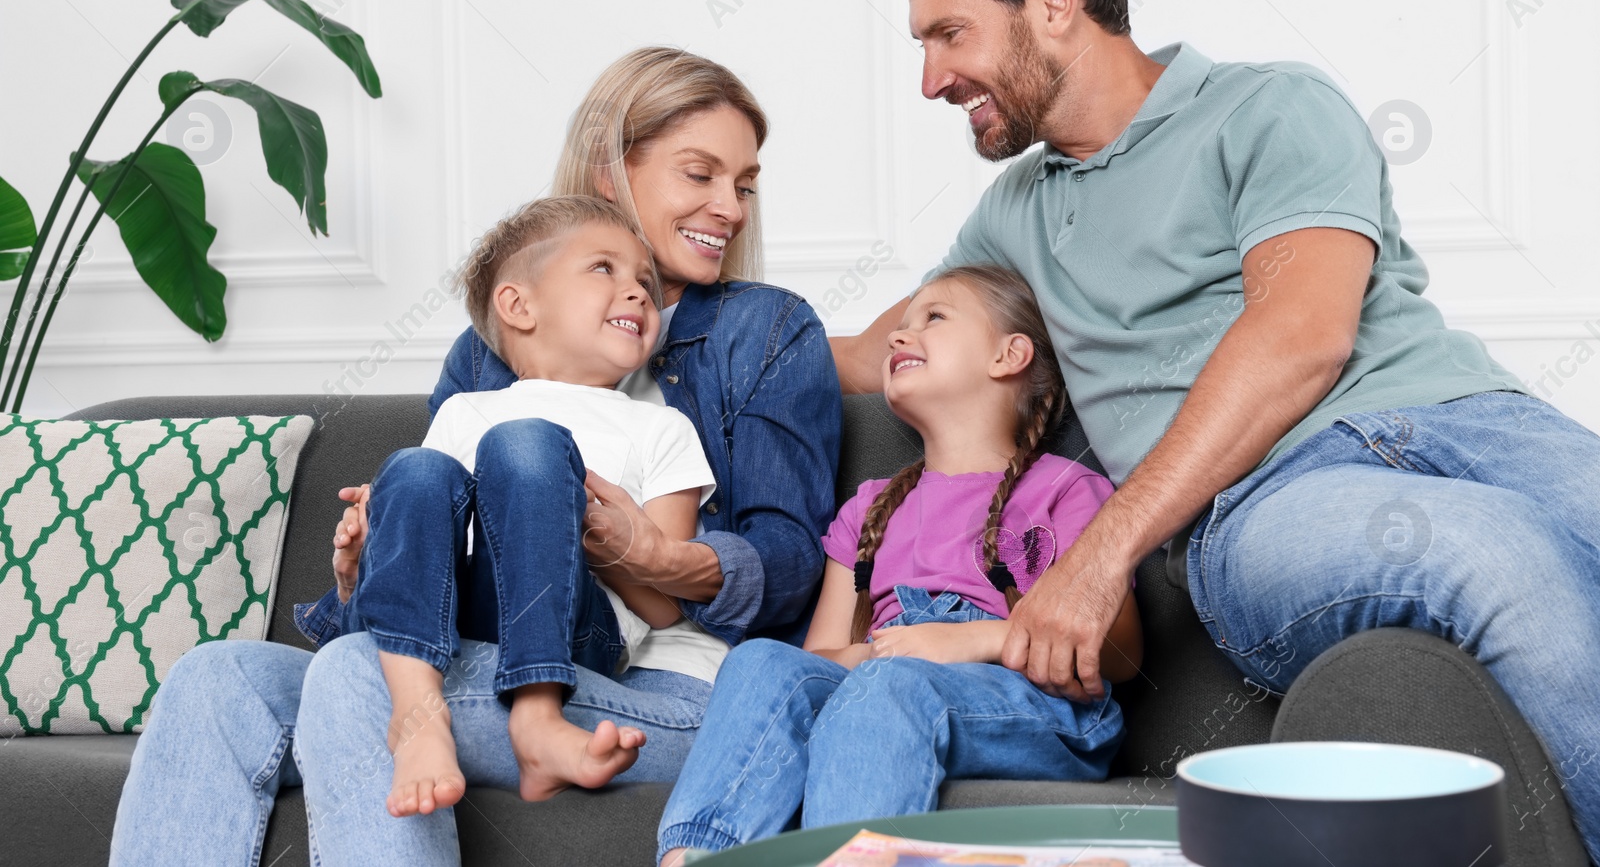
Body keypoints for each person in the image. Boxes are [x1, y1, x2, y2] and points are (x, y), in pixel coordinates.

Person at [830, 0, 1600, 864]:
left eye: (948, 33)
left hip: (1472, 414)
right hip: (1264, 503)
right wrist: (661, 289)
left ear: (1052, 0)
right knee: (1499, 558)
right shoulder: (1016, 213)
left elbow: (1300, 332)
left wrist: (1092, 555)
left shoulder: (1269, 107)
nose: (932, 77)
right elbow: (860, 351)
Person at [109, 48, 843, 866]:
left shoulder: (767, 331)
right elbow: (436, 538)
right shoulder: (485, 359)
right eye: (700, 174)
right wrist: (364, 567)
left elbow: (793, 568)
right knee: (218, 679)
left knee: (358, 676)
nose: (731, 207)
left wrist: (661, 556)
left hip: (669, 687)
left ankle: (529, 725)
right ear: (611, 172)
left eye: (744, 184)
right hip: (475, 646)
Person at [657, 266, 1142, 865]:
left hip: (1039, 705)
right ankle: (696, 857)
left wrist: (970, 640)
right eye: (901, 324)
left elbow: (1120, 652)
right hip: (889, 675)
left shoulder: (1066, 489)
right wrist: (885, 652)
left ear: (1009, 354)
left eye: (933, 317)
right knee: (760, 661)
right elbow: (821, 661)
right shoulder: (869, 508)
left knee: (890, 685)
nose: (897, 336)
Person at [343, 195, 723, 816]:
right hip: (461, 619)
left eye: (646, 284)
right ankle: (417, 714)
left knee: (527, 444)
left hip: (582, 627)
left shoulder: (663, 428)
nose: (637, 293)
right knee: (412, 471)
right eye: (605, 269)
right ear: (519, 306)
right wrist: (373, 545)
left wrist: (593, 536)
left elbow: (664, 608)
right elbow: (435, 545)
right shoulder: (463, 411)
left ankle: (539, 716)